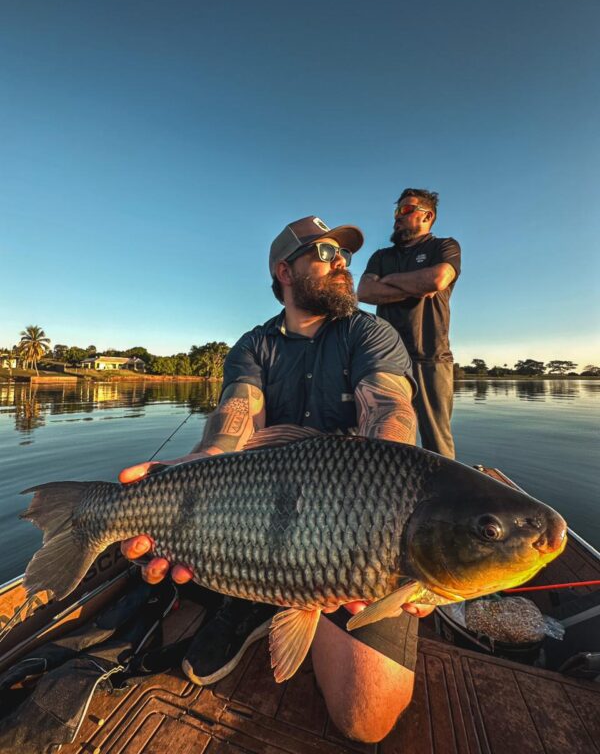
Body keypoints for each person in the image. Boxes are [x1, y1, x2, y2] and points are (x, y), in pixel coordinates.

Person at [119, 215, 433, 743]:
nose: (343, 264)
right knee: (167, 560)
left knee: (367, 716)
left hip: (358, 547)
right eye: (326, 253)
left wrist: (399, 532)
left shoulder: (370, 332)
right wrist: (201, 461)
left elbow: (390, 410)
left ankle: (276, 603)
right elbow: (236, 418)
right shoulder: (252, 345)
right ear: (285, 271)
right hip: (257, 534)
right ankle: (251, 599)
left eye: (346, 256)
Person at [357, 189, 461, 459]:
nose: (396, 218)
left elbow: (436, 281)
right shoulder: (381, 257)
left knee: (437, 444)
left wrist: (387, 281)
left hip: (431, 357)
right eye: (396, 211)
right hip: (385, 361)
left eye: (405, 210)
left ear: (427, 216)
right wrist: (416, 286)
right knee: (386, 441)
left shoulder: (444, 247)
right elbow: (365, 292)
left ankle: (445, 500)